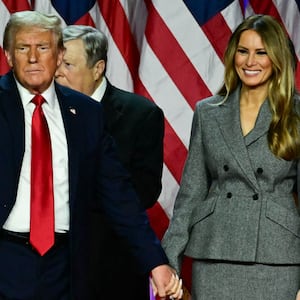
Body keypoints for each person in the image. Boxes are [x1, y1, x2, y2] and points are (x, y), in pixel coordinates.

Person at [0, 10, 183, 300]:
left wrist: (156, 262)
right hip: (6, 257)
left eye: (43, 47)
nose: (33, 57)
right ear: (9, 55)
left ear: (59, 55)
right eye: (23, 48)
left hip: (67, 264)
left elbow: (119, 194)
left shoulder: (85, 113)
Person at [162, 14, 300, 300]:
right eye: (243, 51)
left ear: (277, 58)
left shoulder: (296, 113)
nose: (250, 62)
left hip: (277, 255)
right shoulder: (208, 111)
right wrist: (169, 259)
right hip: (216, 252)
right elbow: (191, 192)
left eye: (261, 52)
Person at [55, 25, 164, 299]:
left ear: (98, 68)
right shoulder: (42, 111)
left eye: (67, 64)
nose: (57, 72)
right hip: (52, 268)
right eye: (56, 63)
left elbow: (145, 191)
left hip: (111, 266)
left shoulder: (141, 115)